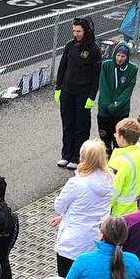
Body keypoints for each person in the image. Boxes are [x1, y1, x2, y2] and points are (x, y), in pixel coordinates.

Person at [52, 140, 116, 277]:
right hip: (96, 240)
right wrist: (64, 216)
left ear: (83, 159)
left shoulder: (76, 183)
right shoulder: (110, 179)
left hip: (72, 245)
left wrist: (63, 214)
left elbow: (58, 206)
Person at [56, 17, 103, 167]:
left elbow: (96, 75)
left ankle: (78, 157)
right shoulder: (70, 46)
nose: (75, 34)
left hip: (83, 93)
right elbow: (62, 67)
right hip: (67, 91)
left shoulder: (93, 50)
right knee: (67, 124)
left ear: (86, 31)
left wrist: (92, 96)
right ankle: (66, 154)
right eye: (74, 31)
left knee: (81, 126)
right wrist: (58, 87)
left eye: (79, 31)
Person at [108, 117, 140, 220]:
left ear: (122, 138)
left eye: (116, 133)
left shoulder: (118, 162)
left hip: (121, 213)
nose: (115, 136)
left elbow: (112, 191)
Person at [97, 40, 138, 152]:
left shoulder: (132, 69)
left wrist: (116, 105)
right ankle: (107, 155)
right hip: (105, 110)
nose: (119, 59)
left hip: (121, 111)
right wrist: (108, 105)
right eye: (118, 55)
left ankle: (117, 158)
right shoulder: (106, 65)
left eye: (123, 56)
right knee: (105, 139)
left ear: (127, 57)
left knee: (119, 140)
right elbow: (103, 87)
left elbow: (128, 90)